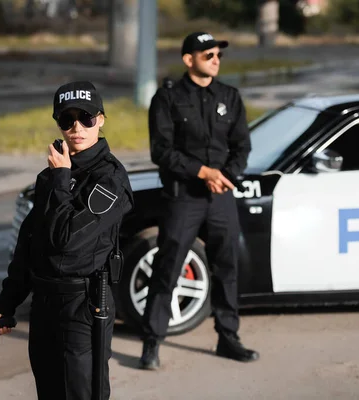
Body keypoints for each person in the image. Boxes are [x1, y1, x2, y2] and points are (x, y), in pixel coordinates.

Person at [0, 80, 134, 399]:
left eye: (86, 117)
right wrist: (7, 301)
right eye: (67, 119)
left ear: (101, 119)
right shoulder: (53, 174)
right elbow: (30, 243)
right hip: (44, 304)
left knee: (80, 393)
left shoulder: (110, 179)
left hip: (82, 305)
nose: (77, 127)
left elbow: (68, 241)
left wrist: (60, 178)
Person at [138, 31, 257, 370]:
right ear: (188, 60)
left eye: (218, 54)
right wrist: (203, 171)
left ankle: (228, 336)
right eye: (208, 55)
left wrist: (226, 176)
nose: (216, 60)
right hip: (183, 196)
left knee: (227, 265)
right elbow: (161, 150)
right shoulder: (168, 98)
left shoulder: (230, 97)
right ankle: (152, 340)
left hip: (220, 196)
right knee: (168, 265)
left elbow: (242, 146)